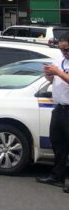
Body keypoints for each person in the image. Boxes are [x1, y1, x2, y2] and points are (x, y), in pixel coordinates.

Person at [37, 36, 69, 193]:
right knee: (57, 142)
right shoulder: (59, 61)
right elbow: (54, 79)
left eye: (66, 49)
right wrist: (49, 75)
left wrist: (58, 72)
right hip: (59, 107)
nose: (64, 52)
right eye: (61, 49)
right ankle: (57, 176)